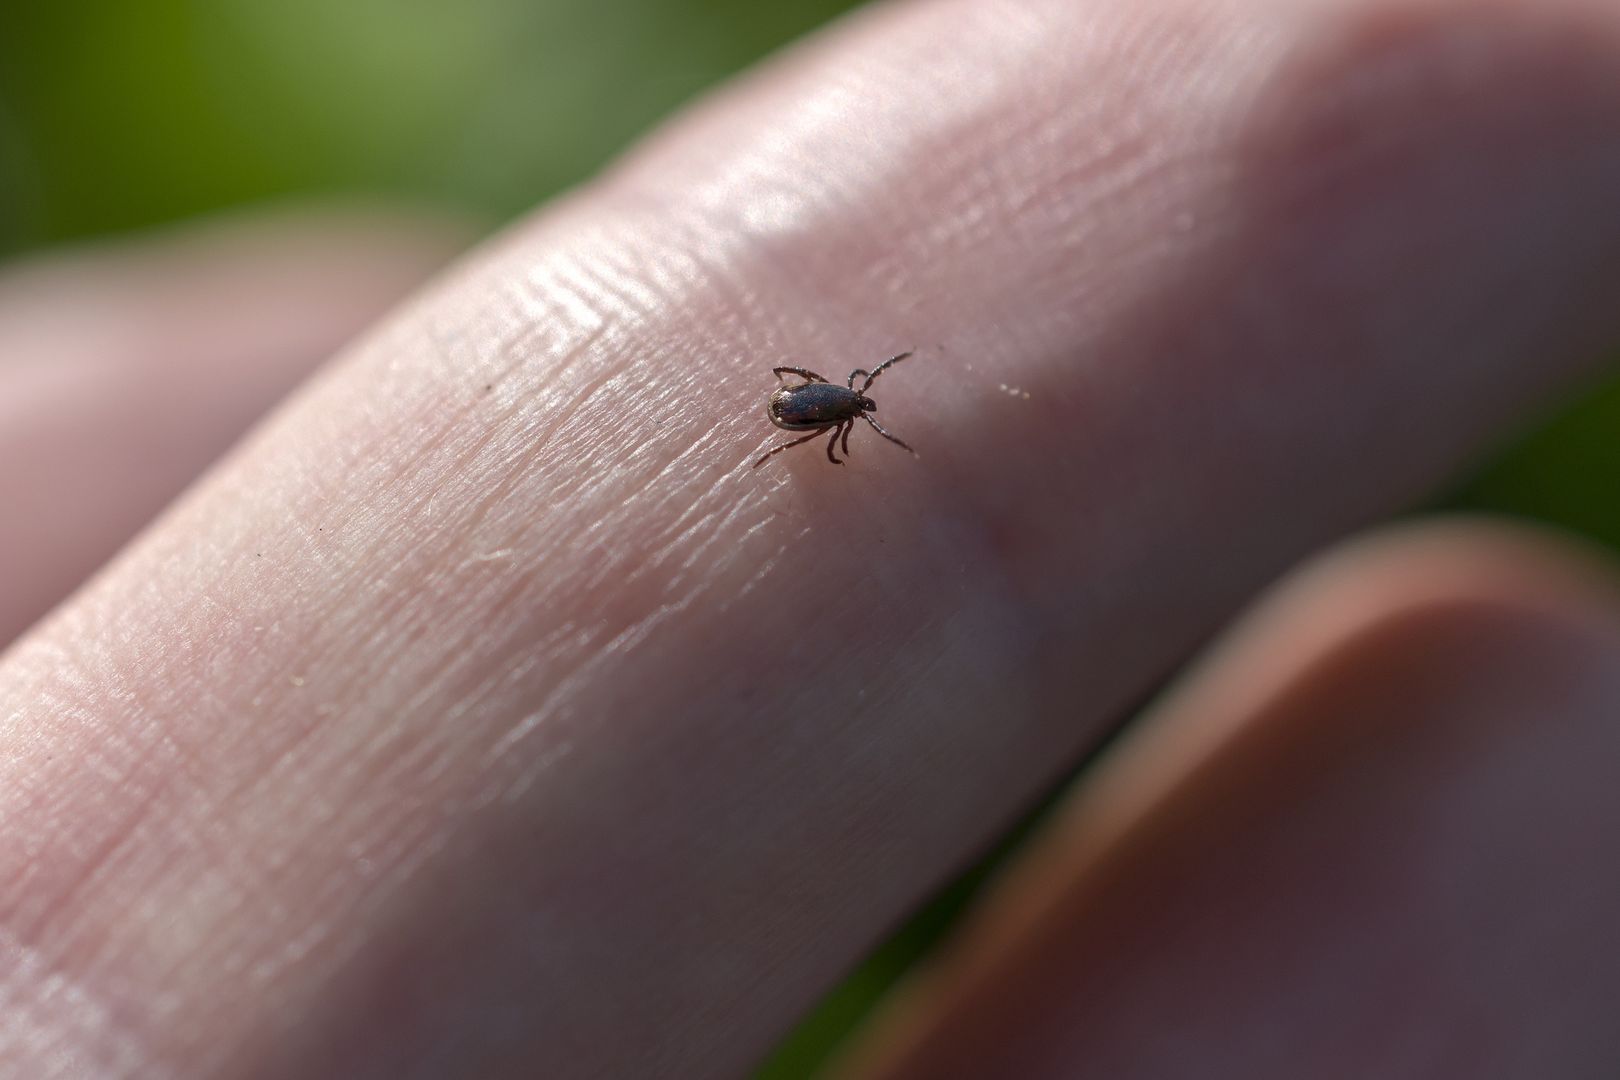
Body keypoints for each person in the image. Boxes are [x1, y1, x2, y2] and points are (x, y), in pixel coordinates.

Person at [3, 0, 1620, 1075]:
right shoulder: (829, 413)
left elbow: (814, 413)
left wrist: (840, 415)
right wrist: (847, 419)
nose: (840, 412)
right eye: (846, 405)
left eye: (843, 408)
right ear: (836, 402)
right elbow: (820, 416)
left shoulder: (824, 409)